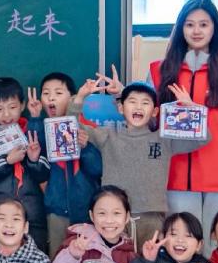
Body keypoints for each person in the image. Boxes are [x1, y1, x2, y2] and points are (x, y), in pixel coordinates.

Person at [149, 0, 218, 253]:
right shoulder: (160, 71)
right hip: (176, 175)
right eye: (190, 24)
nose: (196, 31)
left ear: (214, 29)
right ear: (180, 29)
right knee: (183, 251)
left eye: (204, 24)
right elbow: (149, 123)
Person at [73, 77, 209, 245]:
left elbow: (202, 139)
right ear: (121, 108)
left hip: (151, 217)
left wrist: (191, 108)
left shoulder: (164, 138)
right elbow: (71, 127)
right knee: (117, 259)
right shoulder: (108, 135)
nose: (138, 107)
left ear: (155, 111)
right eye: (132, 102)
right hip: (114, 217)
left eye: (145, 103)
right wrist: (80, 97)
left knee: (149, 259)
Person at [27, 72, 102, 255]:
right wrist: (35, 118)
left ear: (72, 98)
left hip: (85, 208)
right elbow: (37, 166)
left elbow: (97, 169)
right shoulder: (41, 127)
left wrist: (86, 148)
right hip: (56, 209)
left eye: (58, 93)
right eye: (46, 93)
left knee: (86, 258)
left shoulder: (87, 129)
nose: (51, 98)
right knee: (58, 257)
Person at [0, 77, 49, 254]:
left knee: (34, 260)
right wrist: (7, 161)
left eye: (12, 107)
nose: (6, 115)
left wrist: (33, 160)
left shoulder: (32, 133)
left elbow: (45, 173)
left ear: (22, 105)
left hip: (32, 214)